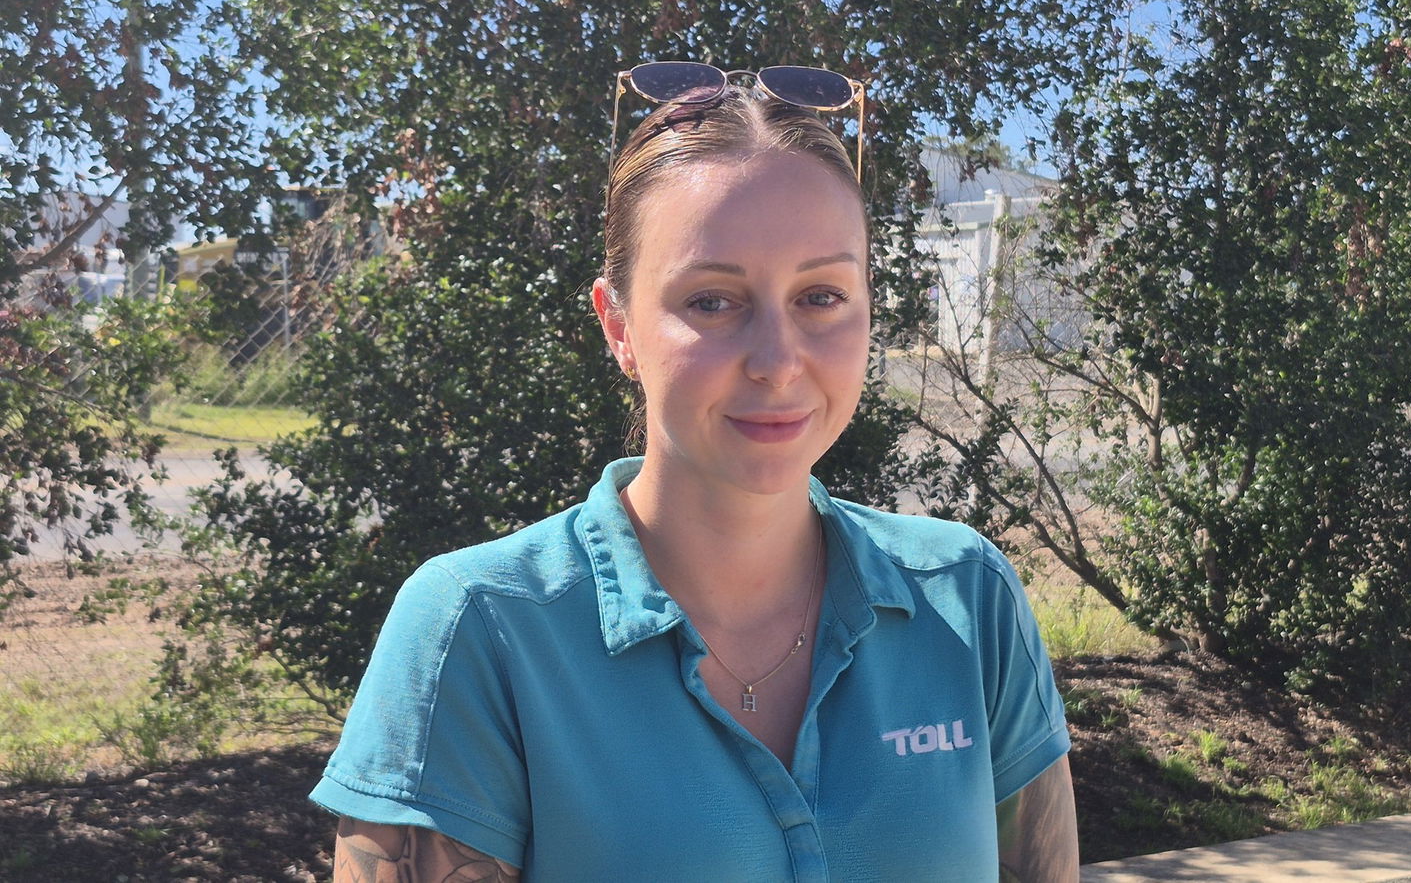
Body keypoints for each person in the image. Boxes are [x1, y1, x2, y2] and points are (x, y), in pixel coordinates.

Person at [310, 62, 1079, 882]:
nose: (779, 363)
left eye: (821, 297)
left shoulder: (967, 598)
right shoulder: (483, 629)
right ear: (619, 327)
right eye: (713, 301)